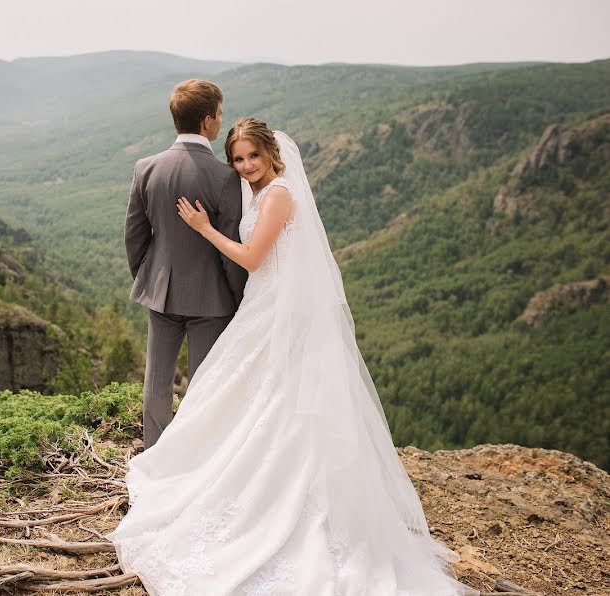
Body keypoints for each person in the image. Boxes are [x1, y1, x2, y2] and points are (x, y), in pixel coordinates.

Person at [107, 117, 478, 595]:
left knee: (260, 395)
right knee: (241, 391)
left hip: (276, 308)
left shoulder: (278, 194)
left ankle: (280, 492)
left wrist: (203, 228)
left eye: (252, 157)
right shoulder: (260, 191)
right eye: (237, 159)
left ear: (271, 154)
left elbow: (253, 257)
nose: (244, 167)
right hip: (265, 305)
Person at [124, 79, 247, 450]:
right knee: (203, 384)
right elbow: (229, 248)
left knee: (156, 384)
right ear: (208, 121)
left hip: (161, 294)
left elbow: (134, 237)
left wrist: (150, 278)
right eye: (220, 115)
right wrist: (240, 299)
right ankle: (196, 459)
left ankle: (156, 458)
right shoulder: (226, 178)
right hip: (211, 300)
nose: (221, 122)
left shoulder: (146, 168)